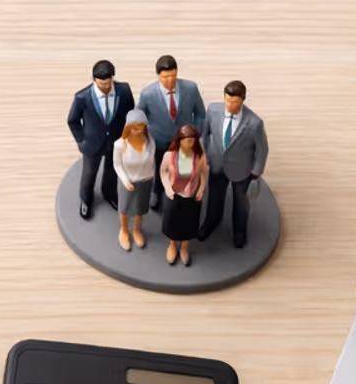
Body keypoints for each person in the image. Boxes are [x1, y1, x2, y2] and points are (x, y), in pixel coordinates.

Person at [202, 80, 269, 248]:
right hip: (217, 165)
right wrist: (206, 154)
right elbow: (205, 133)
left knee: (241, 203)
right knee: (214, 198)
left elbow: (262, 148)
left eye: (235, 102)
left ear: (242, 100)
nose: (230, 105)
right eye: (227, 100)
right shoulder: (213, 110)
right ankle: (211, 222)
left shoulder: (254, 123)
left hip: (241, 169)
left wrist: (256, 170)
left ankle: (239, 231)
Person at [66, 60, 134, 219]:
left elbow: (130, 113)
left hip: (116, 142)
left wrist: (127, 137)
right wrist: (81, 141)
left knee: (112, 170)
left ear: (113, 79)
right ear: (94, 80)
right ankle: (86, 198)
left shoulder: (123, 91)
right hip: (92, 144)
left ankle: (109, 193)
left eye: (108, 83)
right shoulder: (82, 97)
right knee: (89, 173)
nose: (105, 87)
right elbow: (72, 120)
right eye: (101, 84)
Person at [139, 55, 206, 212]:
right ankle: (157, 190)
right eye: (165, 77)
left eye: (173, 76)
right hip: (159, 140)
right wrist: (145, 137)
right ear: (158, 76)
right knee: (159, 168)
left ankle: (181, 190)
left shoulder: (191, 88)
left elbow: (201, 114)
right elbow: (139, 116)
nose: (169, 81)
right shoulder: (147, 94)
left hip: (184, 143)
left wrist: (195, 134)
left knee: (183, 168)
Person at [159, 125, 208, 266]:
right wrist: (168, 188)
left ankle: (185, 247)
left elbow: (203, 174)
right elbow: (163, 172)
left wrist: (201, 189)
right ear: (180, 140)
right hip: (174, 194)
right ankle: (173, 245)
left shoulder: (199, 156)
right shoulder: (170, 155)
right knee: (173, 221)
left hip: (191, 195)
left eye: (192, 141)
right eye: (187, 141)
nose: (189, 144)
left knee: (189, 221)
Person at [112, 110, 156, 251]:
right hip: (128, 181)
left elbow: (152, 161)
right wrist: (125, 181)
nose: (139, 130)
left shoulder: (150, 141)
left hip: (145, 180)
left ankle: (136, 229)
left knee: (140, 208)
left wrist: (151, 175)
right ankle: (124, 230)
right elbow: (117, 164)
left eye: (141, 126)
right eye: (135, 126)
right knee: (124, 207)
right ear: (128, 126)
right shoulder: (120, 144)